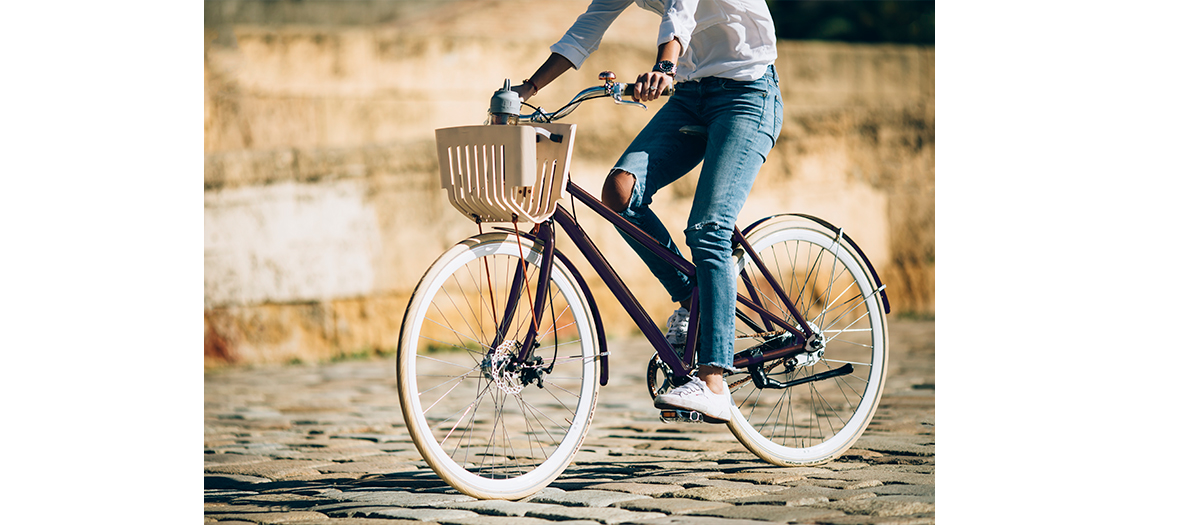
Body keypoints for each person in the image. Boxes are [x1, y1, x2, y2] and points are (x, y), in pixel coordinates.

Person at [513, 0, 783, 423]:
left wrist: (666, 65)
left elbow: (681, 8)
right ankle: (693, 298)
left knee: (709, 229)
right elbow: (587, 29)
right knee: (619, 191)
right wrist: (525, 91)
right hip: (693, 94)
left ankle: (714, 383)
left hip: (748, 92)